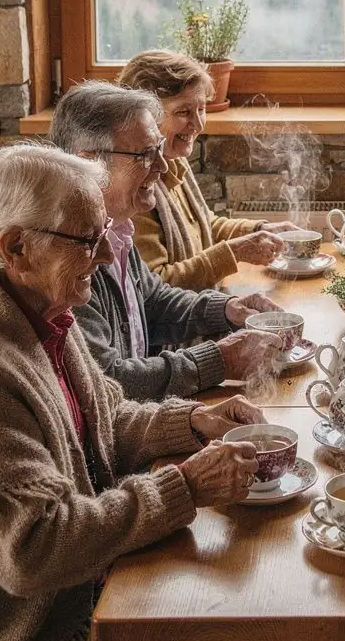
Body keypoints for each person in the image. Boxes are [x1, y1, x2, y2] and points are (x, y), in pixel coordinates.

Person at [0, 143, 269, 641]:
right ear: (15, 247)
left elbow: (105, 417)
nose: (105, 255)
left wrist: (191, 423)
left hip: (87, 585)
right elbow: (34, 549)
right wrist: (183, 485)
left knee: (242, 631)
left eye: (103, 232)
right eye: (86, 239)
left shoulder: (41, 309)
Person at [50, 81, 284, 401]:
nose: (161, 166)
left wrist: (228, 308)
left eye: (159, 149)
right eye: (146, 154)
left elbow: (154, 302)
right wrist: (217, 362)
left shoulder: (115, 228)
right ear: (89, 161)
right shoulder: (67, 253)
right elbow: (107, 379)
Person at [118, 49, 296, 290]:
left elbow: (201, 226)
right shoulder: (134, 189)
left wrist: (258, 230)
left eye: (201, 109)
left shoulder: (172, 160)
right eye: (183, 112)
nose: (198, 124)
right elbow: (156, 286)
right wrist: (234, 252)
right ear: (144, 117)